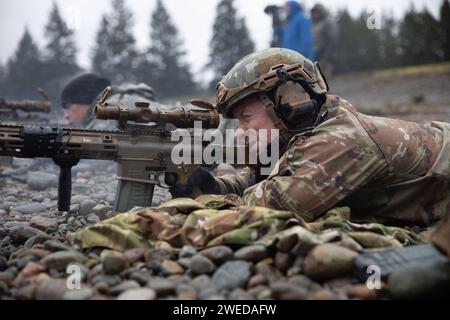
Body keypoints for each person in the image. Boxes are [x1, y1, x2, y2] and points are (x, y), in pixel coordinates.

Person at [171, 47, 450, 228]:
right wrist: (215, 186)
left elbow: (272, 205)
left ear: (288, 101)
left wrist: (208, 201)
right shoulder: (302, 130)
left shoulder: (341, 140)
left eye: (246, 118)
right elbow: (265, 178)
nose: (241, 131)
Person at [61, 73, 158, 130]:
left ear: (86, 100)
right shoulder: (125, 100)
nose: (66, 115)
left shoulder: (110, 110)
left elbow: (98, 161)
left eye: (68, 107)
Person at [311, 3, 338, 78]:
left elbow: (332, 40)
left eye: (317, 12)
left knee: (324, 81)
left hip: (325, 57)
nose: (315, 14)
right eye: (314, 12)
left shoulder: (328, 22)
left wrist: (325, 58)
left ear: (322, 12)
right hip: (316, 57)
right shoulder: (314, 24)